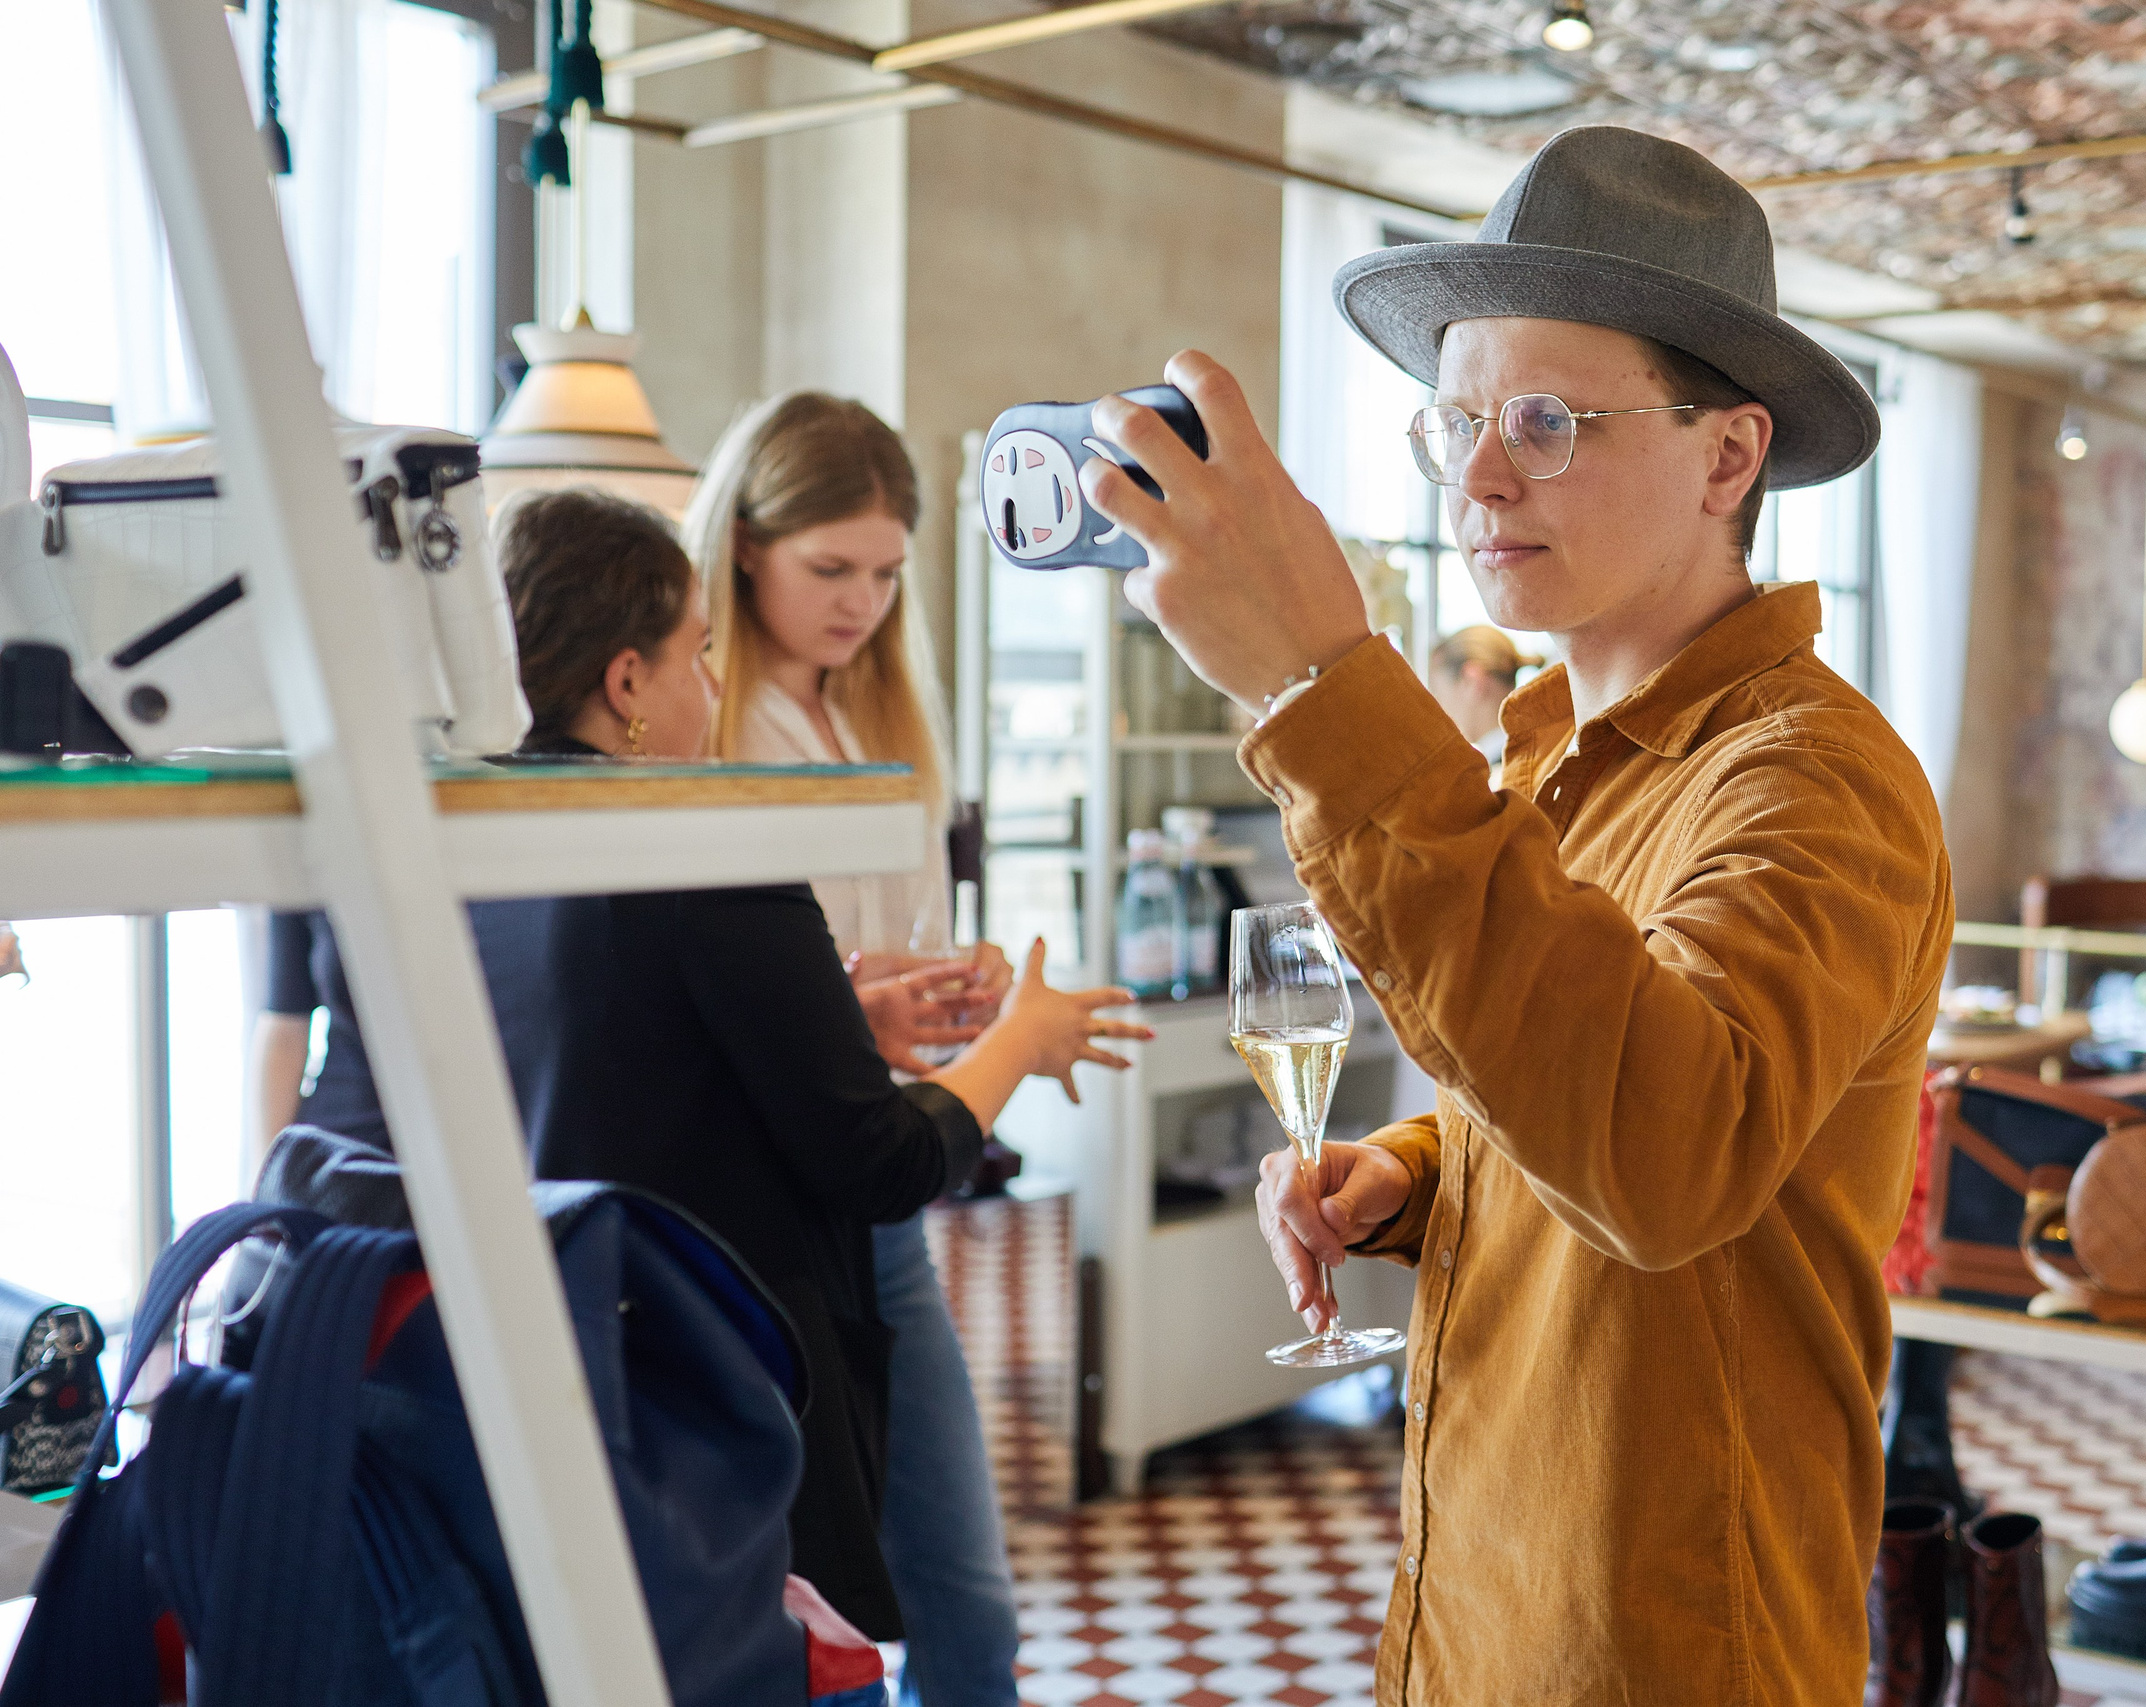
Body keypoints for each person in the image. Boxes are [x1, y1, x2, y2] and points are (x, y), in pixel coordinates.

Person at [1079, 127, 1953, 1702]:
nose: (1480, 472)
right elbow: (1586, 1054)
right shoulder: (1551, 753)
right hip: (1485, 1591)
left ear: (1728, 455)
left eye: (1547, 420)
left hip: (1669, 1639)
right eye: (1460, 416)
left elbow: (1672, 1151)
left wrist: (1320, 680)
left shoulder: (1817, 781)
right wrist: (1414, 1176)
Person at [259, 487, 1148, 1647]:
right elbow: (876, 1164)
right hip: (707, 1394)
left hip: (506, 1384)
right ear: (627, 683)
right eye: (698, 655)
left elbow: (594, 1055)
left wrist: (833, 1019)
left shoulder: (437, 848)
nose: (714, 688)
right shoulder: (709, 846)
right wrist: (1014, 1046)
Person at [685, 394, 1029, 1707]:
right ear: (745, 547)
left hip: (882, 1191)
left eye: (886, 574)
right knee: (798, 1600)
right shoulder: (705, 718)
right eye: (831, 569)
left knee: (966, 1590)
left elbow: (869, 955)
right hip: (756, 1216)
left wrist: (952, 986)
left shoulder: (878, 716)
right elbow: (723, 986)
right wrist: (862, 997)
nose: (862, 603)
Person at [1425, 625, 1539, 770]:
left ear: (1472, 681)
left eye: (1437, 693)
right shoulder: (1536, 756)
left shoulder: (1497, 779)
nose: (1437, 709)